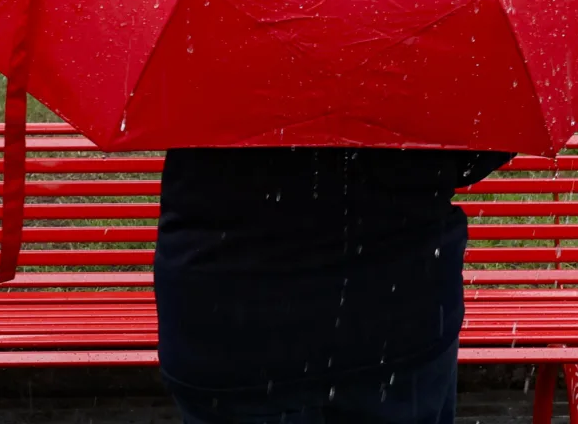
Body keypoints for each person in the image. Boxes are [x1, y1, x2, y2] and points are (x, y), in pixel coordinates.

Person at [154, 146, 514, 424]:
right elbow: (479, 147)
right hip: (393, 312)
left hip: (229, 321)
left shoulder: (204, 53)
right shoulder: (421, 50)